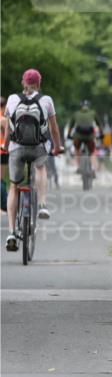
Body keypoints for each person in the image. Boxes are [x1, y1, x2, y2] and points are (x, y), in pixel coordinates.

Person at [4, 69, 64, 250]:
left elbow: (8, 129)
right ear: (39, 83)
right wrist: (57, 147)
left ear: (23, 82)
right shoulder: (46, 101)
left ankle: (12, 232)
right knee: (40, 168)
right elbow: (53, 129)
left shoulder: (12, 99)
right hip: (38, 148)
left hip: (17, 148)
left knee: (14, 186)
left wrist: (5, 147)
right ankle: (43, 205)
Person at [67, 99, 100, 180]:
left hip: (78, 137)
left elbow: (71, 126)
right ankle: (92, 168)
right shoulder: (93, 113)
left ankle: (78, 167)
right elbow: (99, 125)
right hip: (90, 136)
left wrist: (69, 135)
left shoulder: (76, 114)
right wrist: (100, 135)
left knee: (77, 150)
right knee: (92, 152)